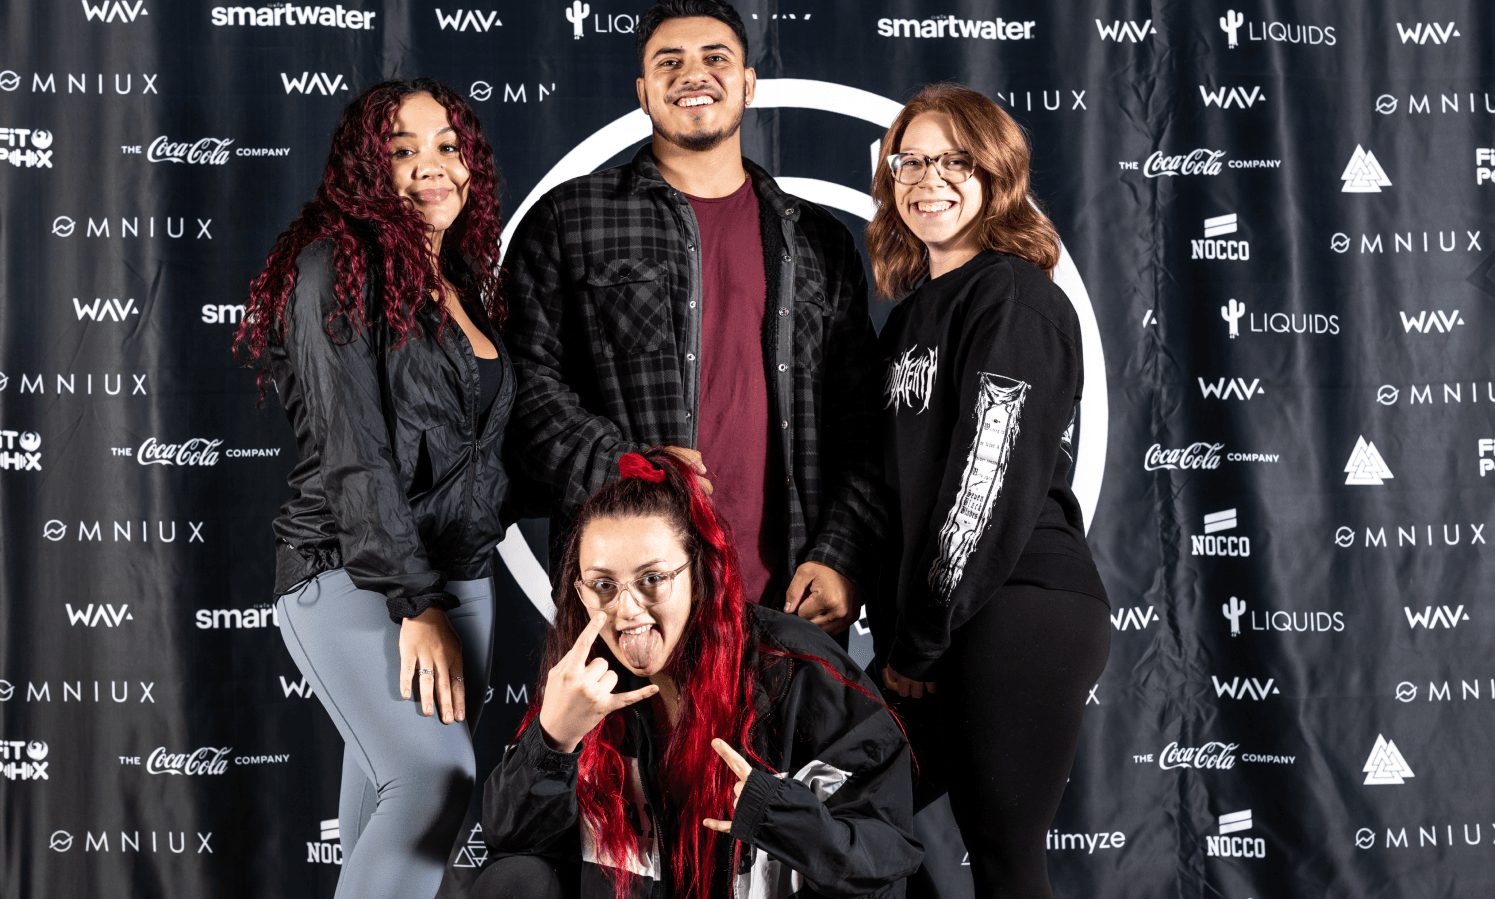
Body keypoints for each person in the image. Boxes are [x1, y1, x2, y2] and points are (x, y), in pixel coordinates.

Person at [502, 0, 883, 637]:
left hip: (790, 599)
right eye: (668, 62)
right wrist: (630, 470)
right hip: (629, 603)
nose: (692, 73)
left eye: (715, 58)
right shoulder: (571, 218)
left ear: (749, 84)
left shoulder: (821, 239)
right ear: (643, 92)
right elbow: (524, 388)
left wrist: (841, 555)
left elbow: (862, 425)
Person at [234, 77, 510, 899]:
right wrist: (414, 604)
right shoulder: (334, 268)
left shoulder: (464, 287)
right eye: (402, 150)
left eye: (447, 147)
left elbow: (481, 455)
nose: (432, 167)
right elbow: (355, 455)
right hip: (356, 574)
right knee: (431, 783)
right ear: (365, 169)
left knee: (383, 816)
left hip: (461, 580)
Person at [471, 449, 921, 899]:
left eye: (652, 579)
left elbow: (886, 858)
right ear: (581, 593)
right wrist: (552, 740)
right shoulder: (584, 682)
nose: (626, 610)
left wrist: (786, 819)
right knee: (512, 882)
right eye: (604, 586)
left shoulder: (797, 669)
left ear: (700, 575)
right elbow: (511, 840)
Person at [865, 84, 1111, 899]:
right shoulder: (909, 317)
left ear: (996, 175)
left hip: (1018, 605)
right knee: (847, 809)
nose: (928, 178)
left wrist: (918, 637)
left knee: (1003, 859)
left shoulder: (1012, 297)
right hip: (942, 620)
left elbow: (987, 481)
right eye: (911, 159)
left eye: (955, 160)